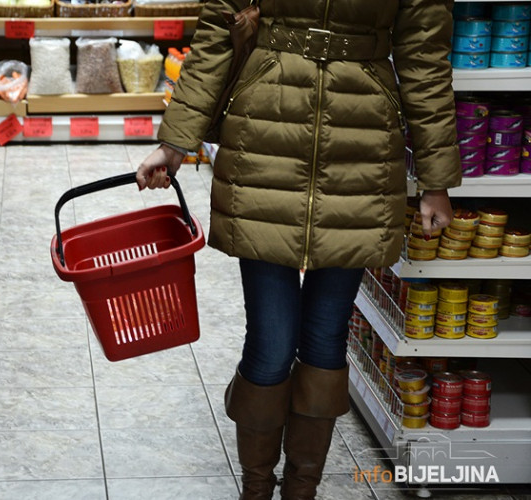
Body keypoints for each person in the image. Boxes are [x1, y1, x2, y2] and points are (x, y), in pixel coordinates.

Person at [135, 1, 461, 499]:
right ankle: (257, 486)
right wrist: (176, 141)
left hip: (362, 146)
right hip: (266, 135)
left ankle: (302, 487)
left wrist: (436, 178)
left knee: (326, 341)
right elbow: (216, 34)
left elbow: (423, 56)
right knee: (271, 341)